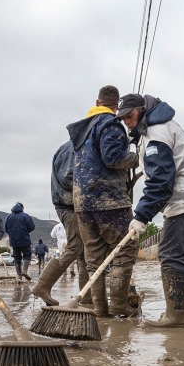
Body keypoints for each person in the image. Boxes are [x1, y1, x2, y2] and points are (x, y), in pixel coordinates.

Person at [117, 93, 184, 327]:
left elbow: (160, 182)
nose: (127, 122)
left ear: (141, 109)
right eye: (123, 118)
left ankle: (176, 316)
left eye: (129, 116)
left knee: (170, 256)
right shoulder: (162, 125)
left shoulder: (156, 133)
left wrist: (141, 216)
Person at [66, 85, 140, 317]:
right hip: (109, 201)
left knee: (94, 256)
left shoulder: (83, 130)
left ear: (96, 102)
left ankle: (99, 308)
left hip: (82, 203)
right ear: (116, 106)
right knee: (125, 250)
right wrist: (134, 158)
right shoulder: (110, 124)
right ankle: (118, 305)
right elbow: (113, 158)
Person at [32, 141, 93, 307]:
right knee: (76, 246)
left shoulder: (74, 146)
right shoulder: (73, 148)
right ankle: (42, 285)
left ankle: (86, 296)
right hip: (69, 204)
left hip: (73, 204)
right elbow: (68, 177)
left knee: (83, 251)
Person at [4, 202, 35, 281]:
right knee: (27, 255)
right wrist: (25, 231)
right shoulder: (25, 216)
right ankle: (24, 271)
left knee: (17, 257)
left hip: (14, 241)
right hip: (24, 239)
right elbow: (32, 227)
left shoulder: (8, 217)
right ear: (22, 208)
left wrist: (12, 234)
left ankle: (19, 276)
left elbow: (6, 229)